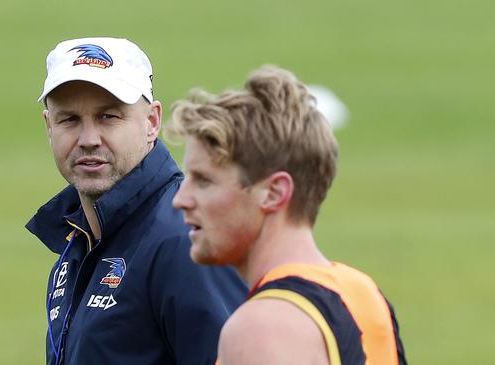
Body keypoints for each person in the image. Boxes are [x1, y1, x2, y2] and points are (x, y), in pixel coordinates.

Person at [25, 37, 247, 365]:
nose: (88, 140)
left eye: (109, 117)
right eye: (69, 119)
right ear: (49, 125)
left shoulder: (185, 239)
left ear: (152, 122)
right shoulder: (80, 240)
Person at [170, 65, 407, 365]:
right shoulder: (363, 293)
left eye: (204, 181)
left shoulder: (261, 328)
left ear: (273, 193)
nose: (180, 199)